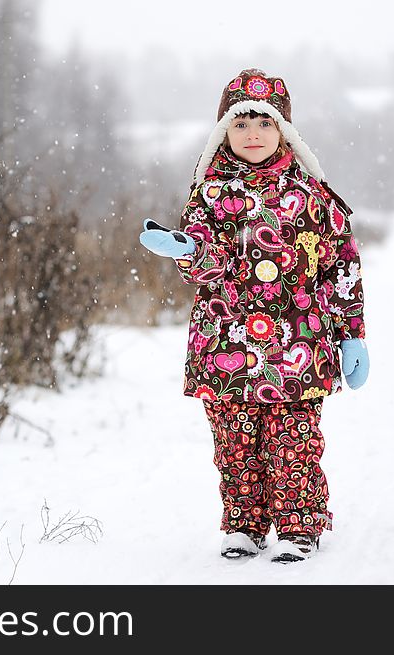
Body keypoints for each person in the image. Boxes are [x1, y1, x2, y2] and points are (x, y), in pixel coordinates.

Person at [139, 69, 369, 563]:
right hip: (226, 345)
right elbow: (208, 263)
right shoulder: (209, 195)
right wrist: (186, 248)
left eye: (263, 124)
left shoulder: (313, 196)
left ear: (284, 130)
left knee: (293, 441)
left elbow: (340, 267)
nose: (252, 134)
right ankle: (243, 524)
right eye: (240, 124)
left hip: (298, 346)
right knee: (235, 443)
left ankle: (299, 526)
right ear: (223, 132)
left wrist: (353, 335)